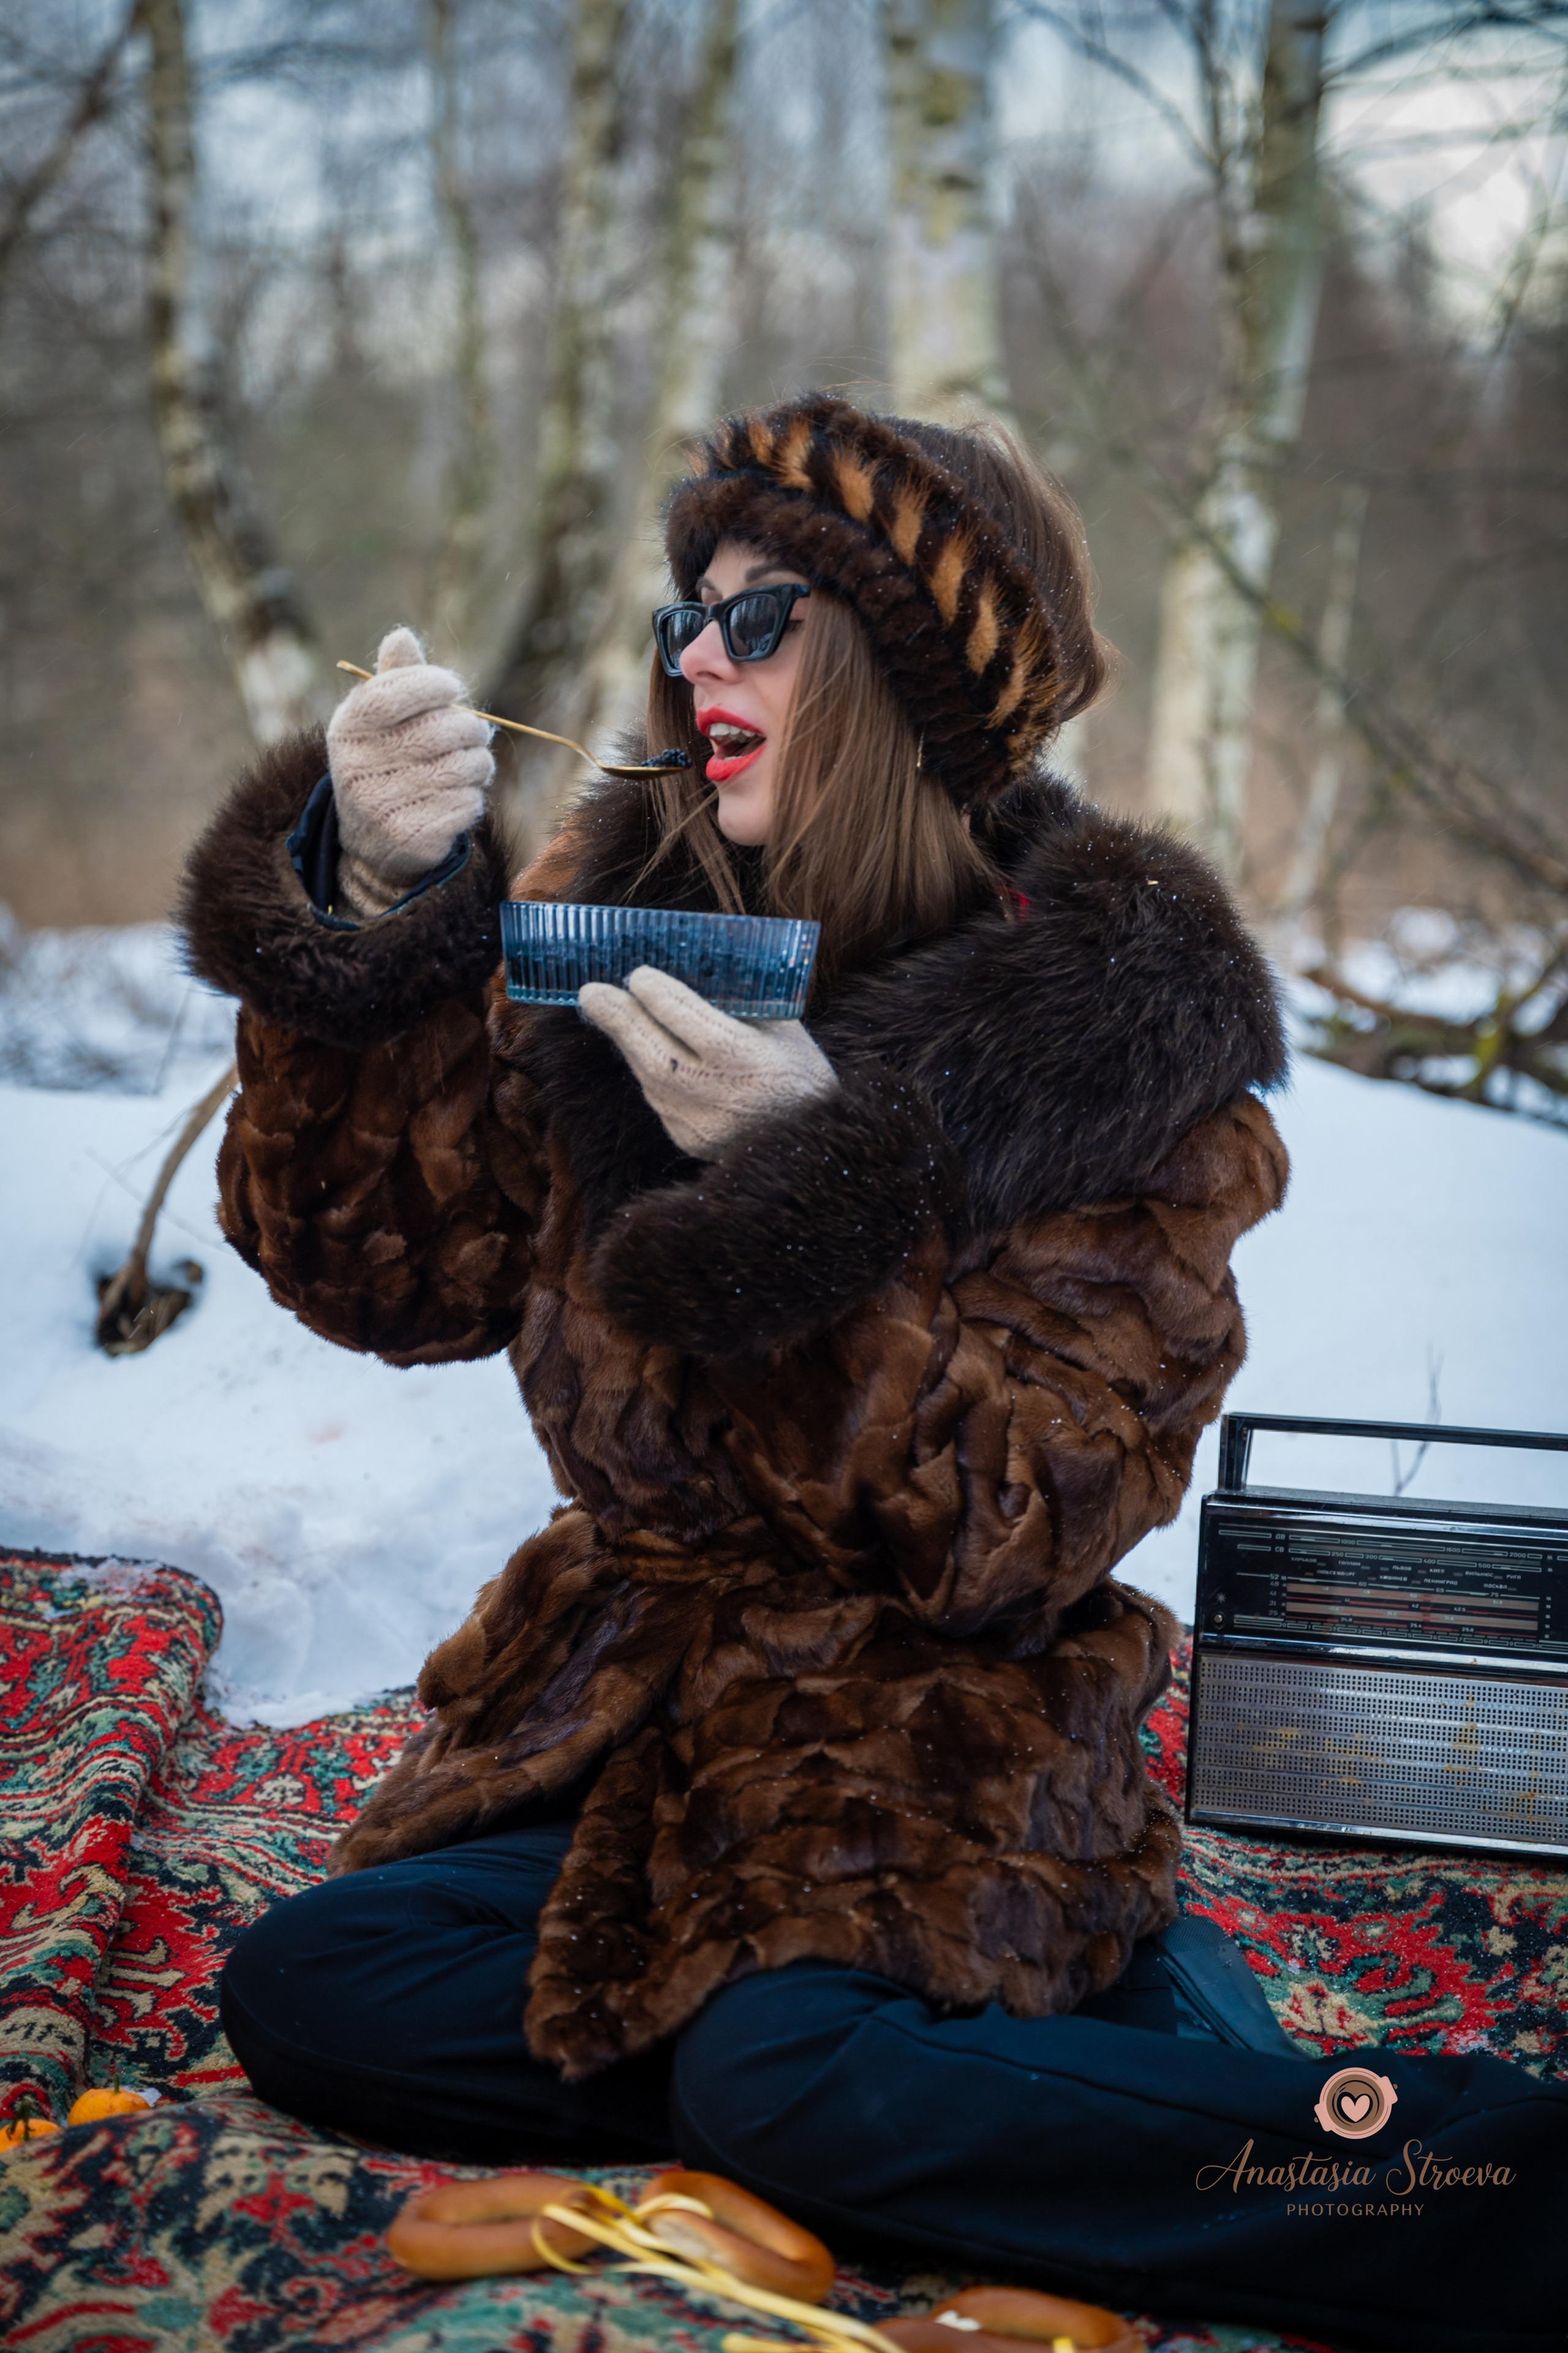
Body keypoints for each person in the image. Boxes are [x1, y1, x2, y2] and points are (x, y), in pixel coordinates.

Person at [184, 396, 1561, 2353]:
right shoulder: (626, 931)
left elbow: (1024, 1526)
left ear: (910, 682)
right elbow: (382, 1276)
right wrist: (382, 914)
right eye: (689, 618)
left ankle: (1470, 2183)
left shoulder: (1115, 1047)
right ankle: (957, 2079)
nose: (694, 663)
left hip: (942, 1737)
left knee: (774, 2073)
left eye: (765, 621)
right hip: (643, 1723)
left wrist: (814, 1194)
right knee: (313, 1984)